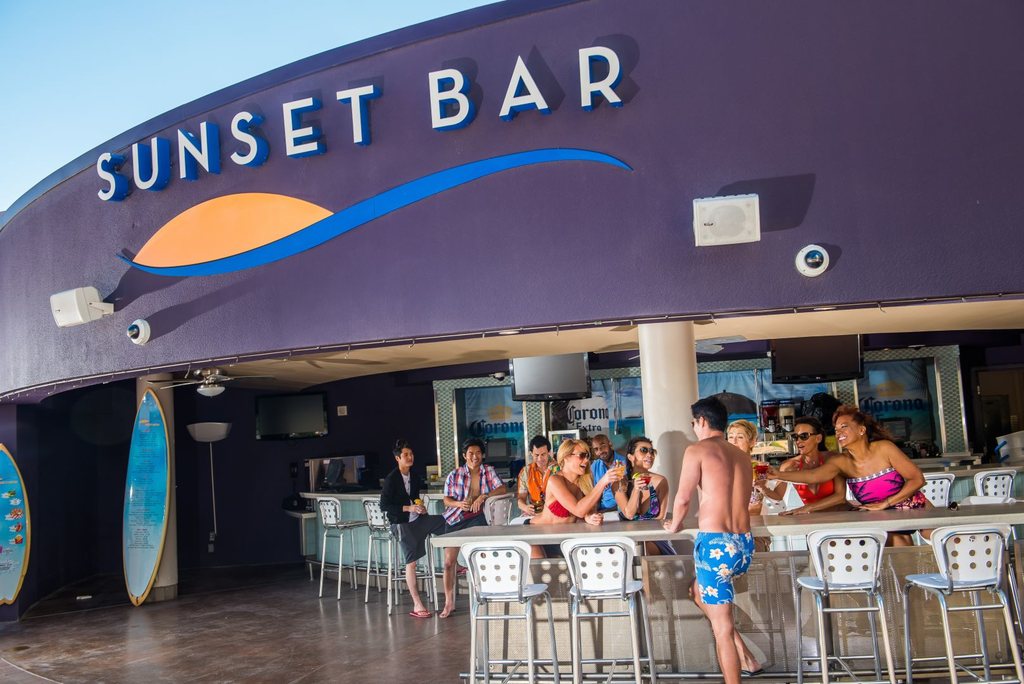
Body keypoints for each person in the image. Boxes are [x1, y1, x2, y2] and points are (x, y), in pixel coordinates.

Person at [664, 397, 763, 682]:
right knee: (697, 592)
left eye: (694, 423)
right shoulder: (741, 455)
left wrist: (675, 525)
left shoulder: (697, 450)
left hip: (716, 545)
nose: (694, 428)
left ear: (703, 421)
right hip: (743, 544)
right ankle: (748, 659)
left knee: (722, 629)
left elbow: (683, 498)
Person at [767, 405, 929, 546]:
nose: (839, 432)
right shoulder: (840, 461)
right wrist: (778, 474)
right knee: (899, 545)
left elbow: (917, 479)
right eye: (836, 429)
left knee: (941, 539)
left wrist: (885, 503)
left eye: (844, 427)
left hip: (916, 507)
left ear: (861, 430)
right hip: (882, 517)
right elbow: (813, 476)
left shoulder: (884, 448)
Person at [380, 439, 451, 619]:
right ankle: (417, 604)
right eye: (405, 455)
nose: (410, 457)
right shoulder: (391, 479)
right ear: (397, 458)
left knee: (447, 523)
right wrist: (408, 508)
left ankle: (452, 563)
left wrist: (420, 507)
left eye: (411, 454)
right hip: (401, 524)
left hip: (418, 519)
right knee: (411, 562)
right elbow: (384, 505)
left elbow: (415, 497)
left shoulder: (414, 475)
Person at [441, 438, 506, 617]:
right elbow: (446, 500)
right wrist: (458, 504)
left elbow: (502, 489)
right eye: (471, 453)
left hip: (478, 517)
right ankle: (448, 602)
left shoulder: (488, 471)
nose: (475, 457)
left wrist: (484, 496)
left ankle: (484, 596)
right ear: (464, 455)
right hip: (456, 518)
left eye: (478, 453)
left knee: (480, 558)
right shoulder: (455, 474)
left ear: (482, 455)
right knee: (448, 563)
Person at [528, 438, 623, 557]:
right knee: (543, 567)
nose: (586, 460)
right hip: (537, 535)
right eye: (581, 455)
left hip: (565, 538)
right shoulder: (555, 480)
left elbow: (589, 509)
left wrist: (590, 517)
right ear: (566, 457)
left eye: (587, 456)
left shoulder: (584, 481)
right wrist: (603, 482)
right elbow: (578, 510)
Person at [727, 419, 782, 553]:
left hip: (754, 531)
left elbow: (768, 501)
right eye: (730, 437)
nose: (734, 441)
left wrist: (761, 487)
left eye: (740, 437)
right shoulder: (721, 468)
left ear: (752, 442)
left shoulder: (760, 468)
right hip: (728, 530)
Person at [613, 436, 674, 555]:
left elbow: (660, 517)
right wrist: (636, 490)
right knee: (634, 550)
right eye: (644, 450)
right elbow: (629, 514)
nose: (649, 455)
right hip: (627, 539)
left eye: (652, 451)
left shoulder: (660, 481)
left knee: (644, 549)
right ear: (630, 457)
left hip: (654, 538)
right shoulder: (619, 483)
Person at [777, 416, 848, 515]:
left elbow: (840, 497)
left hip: (842, 517)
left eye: (804, 436)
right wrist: (761, 486)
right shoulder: (789, 466)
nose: (798, 441)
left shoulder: (833, 458)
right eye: (795, 437)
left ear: (818, 438)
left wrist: (807, 508)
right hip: (814, 520)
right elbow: (777, 496)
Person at [516, 435, 553, 517]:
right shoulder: (525, 472)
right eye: (536, 455)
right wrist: (525, 507)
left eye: (543, 454)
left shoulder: (558, 469)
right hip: (534, 514)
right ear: (531, 454)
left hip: (555, 514)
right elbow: (521, 498)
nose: (540, 458)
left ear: (549, 453)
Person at [590, 433, 627, 512]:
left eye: (603, 446)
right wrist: (595, 512)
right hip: (603, 510)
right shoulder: (594, 466)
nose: (600, 451)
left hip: (621, 509)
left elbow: (628, 493)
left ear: (610, 444)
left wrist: (606, 511)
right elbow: (596, 493)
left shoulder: (624, 462)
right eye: (596, 449)